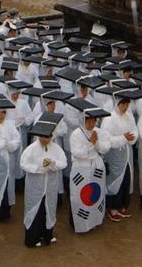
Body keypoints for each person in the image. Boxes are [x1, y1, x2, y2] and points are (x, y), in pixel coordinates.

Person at [20, 119, 67, 247]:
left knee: (49, 210)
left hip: (50, 186)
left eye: (48, 137)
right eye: (43, 137)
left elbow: (64, 162)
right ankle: (32, 238)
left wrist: (53, 164)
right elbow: (23, 164)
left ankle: (47, 235)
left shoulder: (56, 148)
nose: (46, 140)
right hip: (35, 187)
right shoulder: (31, 149)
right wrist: (38, 169)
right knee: (35, 211)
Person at [68, 103, 110, 233]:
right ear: (83, 120)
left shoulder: (99, 132)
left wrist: (96, 142)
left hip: (96, 167)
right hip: (81, 168)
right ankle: (79, 224)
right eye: (89, 121)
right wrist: (91, 144)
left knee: (95, 195)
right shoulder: (76, 134)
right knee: (80, 197)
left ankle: (94, 221)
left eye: (93, 121)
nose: (91, 124)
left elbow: (106, 148)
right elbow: (77, 153)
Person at [101, 94, 137, 220]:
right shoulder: (109, 118)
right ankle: (113, 209)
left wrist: (131, 139)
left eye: (127, 104)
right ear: (117, 104)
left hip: (127, 153)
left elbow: (134, 130)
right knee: (115, 180)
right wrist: (123, 138)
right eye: (123, 104)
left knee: (127, 178)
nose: (125, 107)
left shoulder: (128, 117)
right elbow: (107, 139)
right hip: (114, 155)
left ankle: (123, 206)